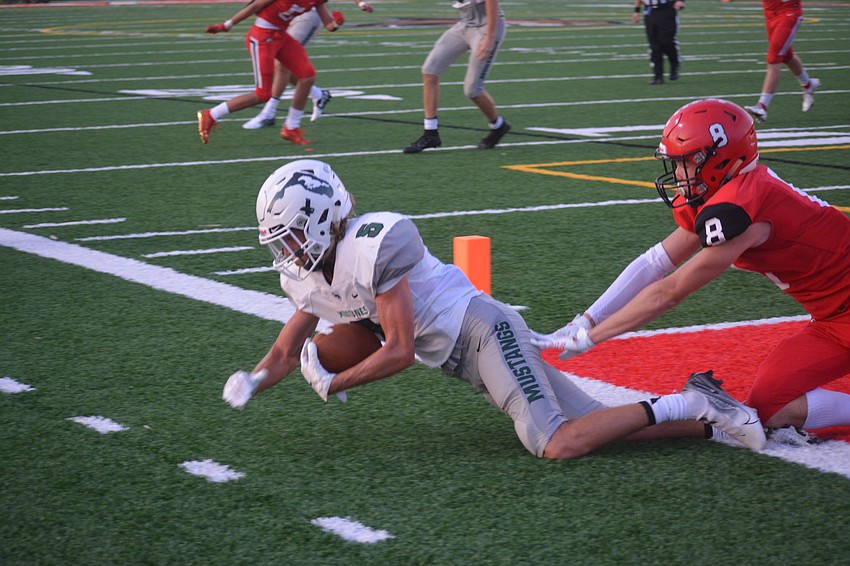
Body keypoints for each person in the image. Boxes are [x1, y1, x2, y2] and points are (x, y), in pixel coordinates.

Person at [221, 159, 766, 459]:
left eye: (290, 237)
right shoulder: (309, 272)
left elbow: (401, 351)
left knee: (557, 443)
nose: (286, 252)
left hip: (482, 332)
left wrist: (334, 385)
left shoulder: (376, 240)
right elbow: (288, 347)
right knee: (595, 425)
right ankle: (705, 420)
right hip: (463, 354)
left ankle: (687, 400)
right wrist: (254, 378)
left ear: (321, 217)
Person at [533, 99, 850, 444]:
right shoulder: (726, 193)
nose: (679, 173)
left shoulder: (745, 207)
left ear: (721, 158)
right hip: (832, 320)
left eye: (686, 162)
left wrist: (592, 339)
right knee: (768, 408)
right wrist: (588, 320)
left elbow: (669, 292)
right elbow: (654, 262)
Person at [198, 0, 346, 146]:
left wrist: (337, 23)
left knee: (307, 75)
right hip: (262, 36)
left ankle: (291, 127)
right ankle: (211, 114)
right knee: (263, 94)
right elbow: (256, 5)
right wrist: (227, 25)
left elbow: (329, 25)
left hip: (281, 36)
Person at [243, 1, 374, 130]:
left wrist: (360, 3)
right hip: (284, 13)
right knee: (279, 63)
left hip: (306, 14)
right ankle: (318, 94)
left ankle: (269, 112)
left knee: (282, 64)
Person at [403, 0, 511, 154]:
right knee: (430, 71)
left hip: (487, 26)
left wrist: (490, 38)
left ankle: (499, 126)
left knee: (472, 90)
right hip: (465, 23)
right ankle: (430, 133)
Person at [743, 0, 821, 122]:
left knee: (773, 58)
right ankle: (808, 84)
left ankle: (762, 106)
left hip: (788, 12)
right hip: (770, 14)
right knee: (786, 56)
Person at [633, 0, 684, 85]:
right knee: (654, 46)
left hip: (666, 9)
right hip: (650, 10)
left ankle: (674, 65)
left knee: (666, 41)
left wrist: (680, 1)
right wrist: (636, 11)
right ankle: (658, 76)